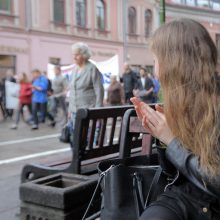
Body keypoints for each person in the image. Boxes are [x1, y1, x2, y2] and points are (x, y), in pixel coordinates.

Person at [131, 18, 220, 220]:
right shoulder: (180, 100)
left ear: (174, 63)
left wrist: (171, 140)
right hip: (183, 196)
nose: (155, 70)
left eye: (155, 60)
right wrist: (161, 135)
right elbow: (170, 172)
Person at [68, 42, 104, 135]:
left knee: (87, 137)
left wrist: (98, 110)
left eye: (77, 55)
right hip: (74, 110)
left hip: (88, 110)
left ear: (84, 55)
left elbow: (99, 89)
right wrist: (69, 110)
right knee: (76, 138)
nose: (74, 57)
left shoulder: (92, 68)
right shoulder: (74, 69)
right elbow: (72, 91)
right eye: (73, 55)